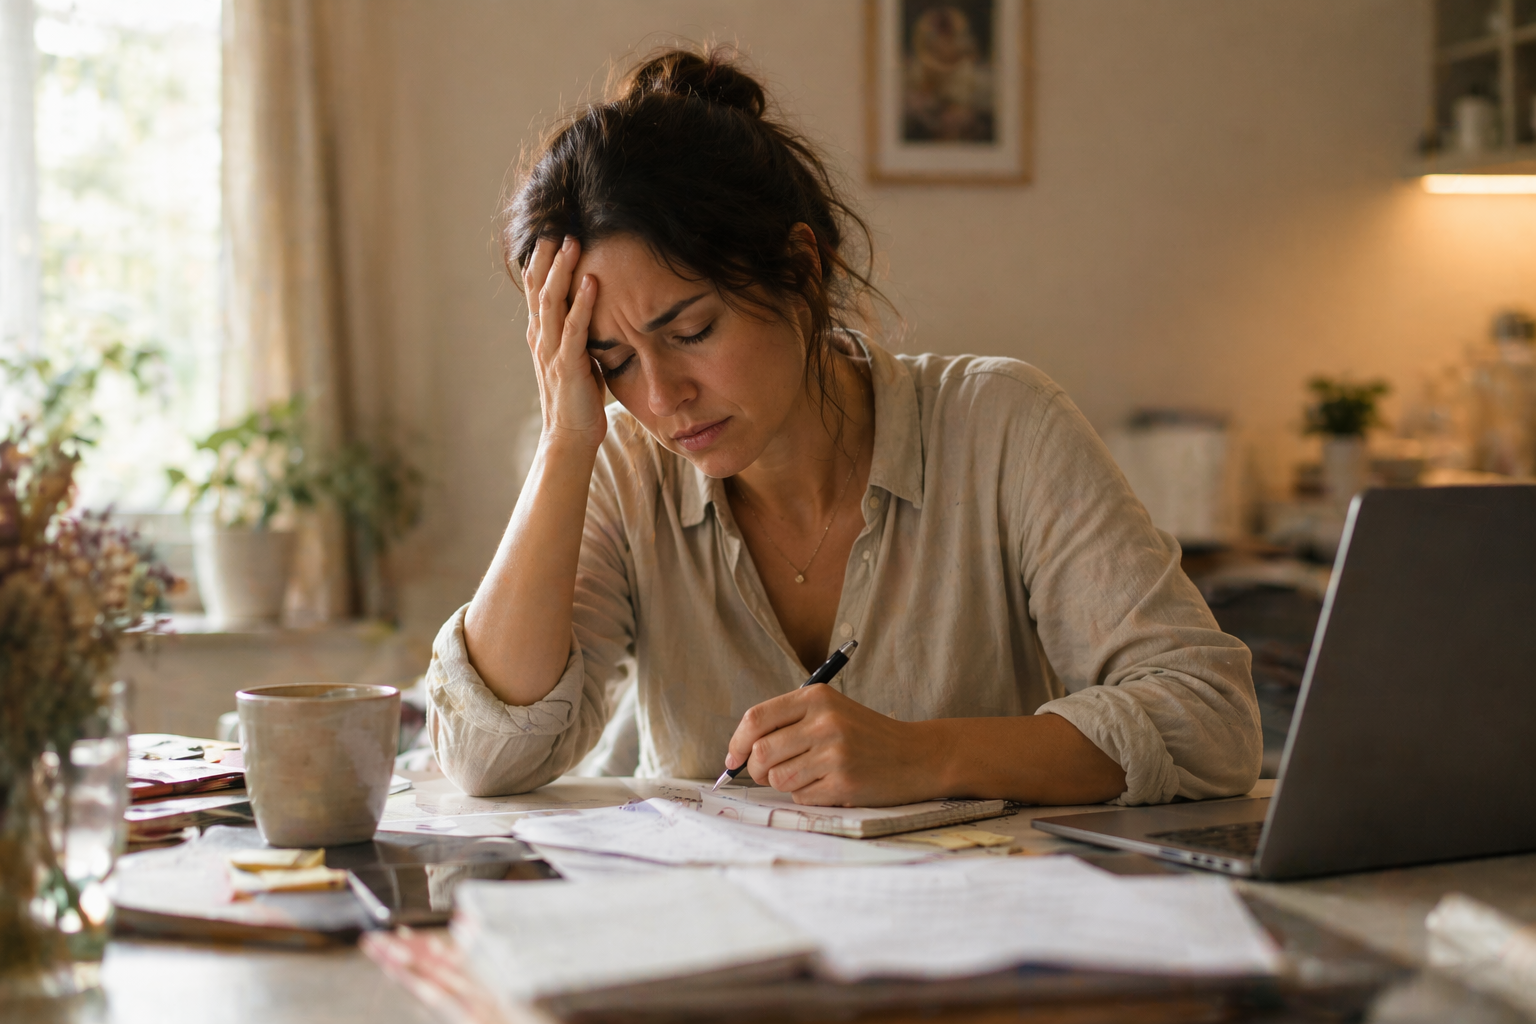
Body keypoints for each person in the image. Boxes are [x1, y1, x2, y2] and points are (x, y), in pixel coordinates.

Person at [424, 47, 1261, 808]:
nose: (663, 397)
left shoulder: (1004, 427)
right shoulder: (623, 469)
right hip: (720, 950)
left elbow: (1208, 720)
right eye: (613, 360)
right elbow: (484, 757)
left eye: (691, 332)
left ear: (800, 268)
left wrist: (928, 757)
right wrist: (568, 441)